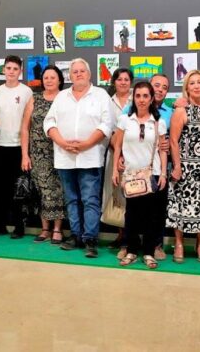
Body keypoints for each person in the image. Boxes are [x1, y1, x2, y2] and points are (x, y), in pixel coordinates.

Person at [44, 58, 112, 258]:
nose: (79, 74)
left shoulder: (100, 95)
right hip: (65, 156)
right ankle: (75, 235)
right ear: (70, 75)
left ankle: (90, 238)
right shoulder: (62, 96)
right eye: (75, 72)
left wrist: (86, 144)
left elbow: (107, 124)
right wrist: (63, 142)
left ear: (89, 74)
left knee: (90, 199)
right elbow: (49, 123)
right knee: (71, 199)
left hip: (90, 156)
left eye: (83, 71)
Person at [111, 82, 168, 269]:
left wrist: (164, 174)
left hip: (152, 174)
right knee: (132, 215)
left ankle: (149, 252)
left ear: (151, 99)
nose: (142, 100)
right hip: (130, 175)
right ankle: (132, 251)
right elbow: (117, 146)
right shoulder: (125, 120)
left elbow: (162, 150)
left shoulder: (159, 122)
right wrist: (115, 170)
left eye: (145, 96)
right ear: (133, 98)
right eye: (138, 96)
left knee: (152, 215)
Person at [166, 70, 200, 263]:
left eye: (199, 82)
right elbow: (173, 141)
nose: (196, 86)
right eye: (192, 83)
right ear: (186, 87)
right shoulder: (181, 110)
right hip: (185, 166)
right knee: (181, 206)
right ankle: (179, 243)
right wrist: (177, 166)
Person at [20, 65, 66, 244]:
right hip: (37, 154)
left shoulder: (65, 98)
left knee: (58, 191)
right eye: (46, 78)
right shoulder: (35, 98)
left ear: (60, 80)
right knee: (43, 191)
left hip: (60, 151)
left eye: (52, 77)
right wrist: (25, 154)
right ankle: (45, 228)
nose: (49, 81)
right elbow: (25, 127)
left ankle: (58, 229)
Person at [0, 56, 33, 238]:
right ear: (3, 70)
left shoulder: (27, 92)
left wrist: (25, 152)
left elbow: (28, 122)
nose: (11, 71)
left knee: (18, 190)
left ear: (20, 71)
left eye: (15, 68)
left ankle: (18, 226)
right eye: (8, 68)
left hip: (18, 146)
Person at [102, 68, 133, 250]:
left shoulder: (136, 99)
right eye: (119, 79)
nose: (123, 82)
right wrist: (118, 152)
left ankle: (131, 235)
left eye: (126, 79)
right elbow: (107, 129)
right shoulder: (107, 102)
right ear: (114, 82)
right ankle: (120, 236)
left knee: (132, 194)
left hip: (135, 154)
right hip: (114, 154)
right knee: (116, 195)